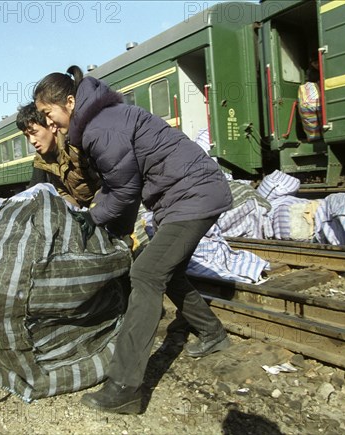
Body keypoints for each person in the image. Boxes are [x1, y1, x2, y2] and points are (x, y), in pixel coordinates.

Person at [34, 66, 233, 414]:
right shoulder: (102, 120)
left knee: (145, 274)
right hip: (186, 196)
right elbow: (122, 187)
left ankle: (124, 387)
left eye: (49, 115)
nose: (50, 126)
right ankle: (213, 333)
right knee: (165, 270)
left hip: (193, 196)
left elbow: (124, 192)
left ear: (69, 102)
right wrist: (113, 227)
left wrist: (92, 219)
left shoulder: (99, 128)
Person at [16, 102, 101, 208]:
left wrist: (95, 212)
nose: (31, 141)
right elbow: (63, 193)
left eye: (34, 133)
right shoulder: (43, 160)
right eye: (27, 136)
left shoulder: (76, 146)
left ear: (51, 125)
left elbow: (106, 182)